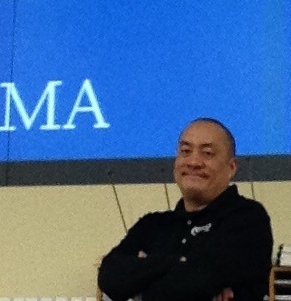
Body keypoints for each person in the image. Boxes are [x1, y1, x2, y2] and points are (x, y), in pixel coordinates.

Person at [98, 118, 273, 301]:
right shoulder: (152, 225)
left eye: (207, 153)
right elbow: (109, 278)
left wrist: (142, 281)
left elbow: (193, 285)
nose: (194, 162)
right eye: (185, 151)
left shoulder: (248, 219)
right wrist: (177, 262)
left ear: (231, 168)